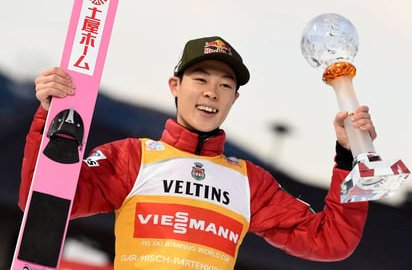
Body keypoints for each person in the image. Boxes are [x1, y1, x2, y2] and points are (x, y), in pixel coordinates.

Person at [19, 36, 376, 270]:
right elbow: (42, 202)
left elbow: (332, 241)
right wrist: (50, 116)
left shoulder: (250, 183)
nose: (212, 93)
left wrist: (351, 158)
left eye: (225, 85)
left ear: (235, 99)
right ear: (175, 86)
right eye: (201, 80)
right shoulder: (131, 158)